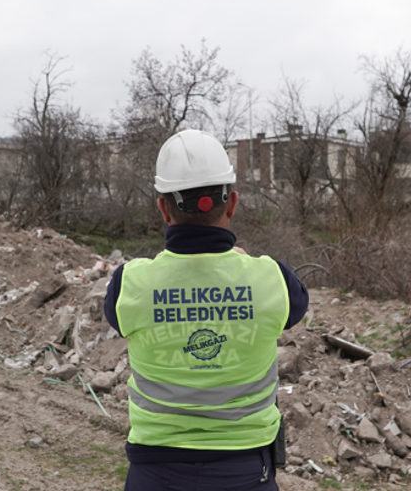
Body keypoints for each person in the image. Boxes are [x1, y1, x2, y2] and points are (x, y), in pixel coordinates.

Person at [104, 129, 309, 491]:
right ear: (231, 203)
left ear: (163, 208)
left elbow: (116, 317)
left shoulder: (129, 285)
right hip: (247, 473)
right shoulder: (272, 280)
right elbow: (296, 308)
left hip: (155, 473)